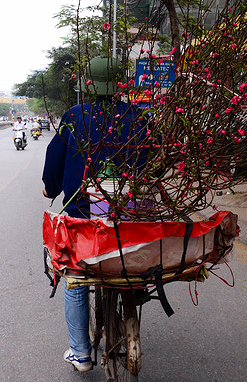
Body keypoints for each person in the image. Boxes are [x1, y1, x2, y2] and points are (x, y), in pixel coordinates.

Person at [41, 57, 149, 372]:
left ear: (89, 84)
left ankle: (81, 354)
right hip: (127, 221)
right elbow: (152, 159)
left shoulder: (75, 116)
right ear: (121, 84)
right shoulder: (139, 118)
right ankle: (133, 293)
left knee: (75, 278)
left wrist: (51, 188)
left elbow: (54, 163)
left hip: (82, 223)